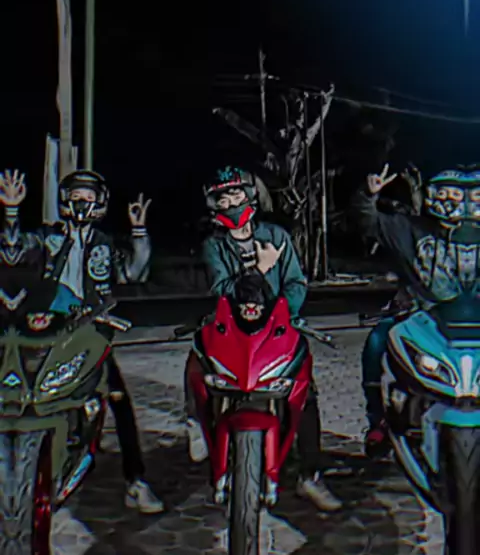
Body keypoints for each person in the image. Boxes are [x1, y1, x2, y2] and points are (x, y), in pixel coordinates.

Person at [0, 168, 164, 514]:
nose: (81, 203)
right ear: (64, 200)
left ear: (100, 203)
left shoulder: (105, 244)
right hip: (44, 330)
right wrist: (11, 210)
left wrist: (138, 230)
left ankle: (135, 481)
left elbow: (133, 273)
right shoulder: (47, 238)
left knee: (117, 398)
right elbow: (13, 254)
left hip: (89, 331)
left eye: (89, 198)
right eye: (76, 196)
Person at [186, 165, 342, 512]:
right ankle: (198, 425)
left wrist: (283, 311)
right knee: (199, 363)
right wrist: (260, 269)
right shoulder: (214, 246)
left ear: (249, 195)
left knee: (304, 391)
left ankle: (310, 474)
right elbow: (222, 289)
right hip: (233, 325)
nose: (230, 203)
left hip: (277, 326)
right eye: (222, 198)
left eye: (235, 194)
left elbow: (296, 282)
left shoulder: (276, 236)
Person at [351, 162, 480, 457]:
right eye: (446, 194)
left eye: (464, 196)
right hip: (423, 317)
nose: (454, 203)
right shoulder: (409, 228)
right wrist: (368, 196)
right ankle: (379, 420)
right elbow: (368, 223)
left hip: (474, 322)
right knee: (377, 341)